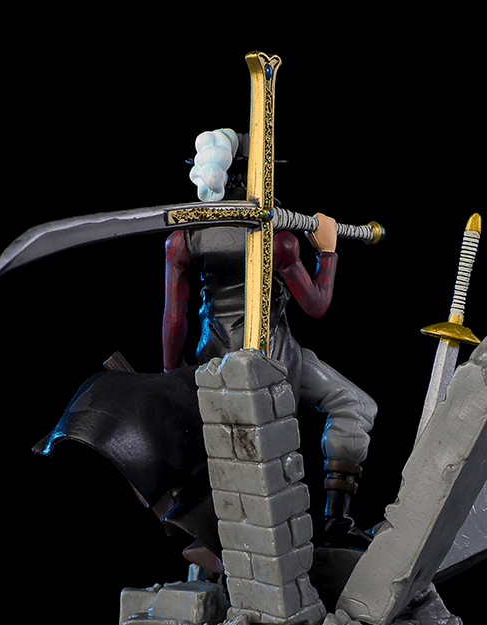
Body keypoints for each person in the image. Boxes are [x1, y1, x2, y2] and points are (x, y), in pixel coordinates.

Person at [162, 129, 378, 550]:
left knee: (341, 409)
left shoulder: (183, 239)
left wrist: (174, 376)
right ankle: (333, 519)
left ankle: (331, 525)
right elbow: (316, 304)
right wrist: (328, 252)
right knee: (354, 407)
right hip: (274, 359)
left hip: (214, 358)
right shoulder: (280, 241)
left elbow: (174, 322)